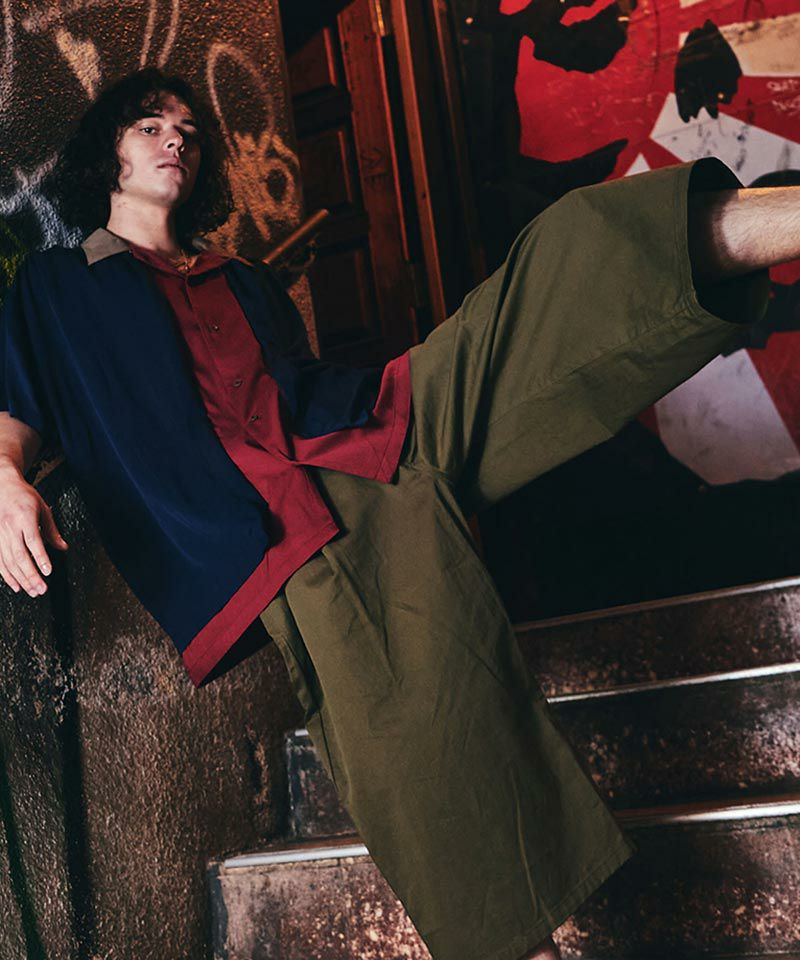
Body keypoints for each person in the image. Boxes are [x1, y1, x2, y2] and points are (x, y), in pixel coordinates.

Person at [0, 66, 796, 960]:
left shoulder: (244, 279)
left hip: (367, 429)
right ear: (106, 152)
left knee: (544, 282)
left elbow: (299, 385)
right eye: (150, 125)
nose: (176, 138)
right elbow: (17, 404)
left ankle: (755, 225)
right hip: (278, 522)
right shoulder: (58, 286)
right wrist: (5, 479)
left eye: (187, 128)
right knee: (418, 702)